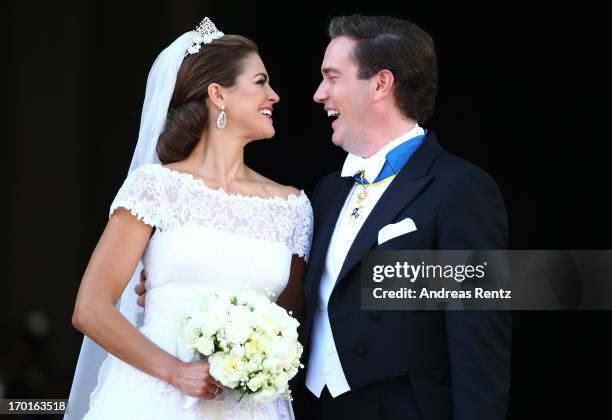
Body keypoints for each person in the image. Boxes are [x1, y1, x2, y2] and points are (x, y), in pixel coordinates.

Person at [66, 18, 312, 420]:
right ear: (218, 95)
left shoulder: (293, 207)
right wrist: (177, 371)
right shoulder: (155, 188)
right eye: (260, 82)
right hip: (154, 398)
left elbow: (289, 323)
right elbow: (90, 307)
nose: (275, 95)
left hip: (251, 407)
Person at [297, 14, 511, 420]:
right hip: (315, 408)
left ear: (381, 84)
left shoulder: (460, 188)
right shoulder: (328, 190)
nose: (319, 93)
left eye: (332, 77)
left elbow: (478, 339)